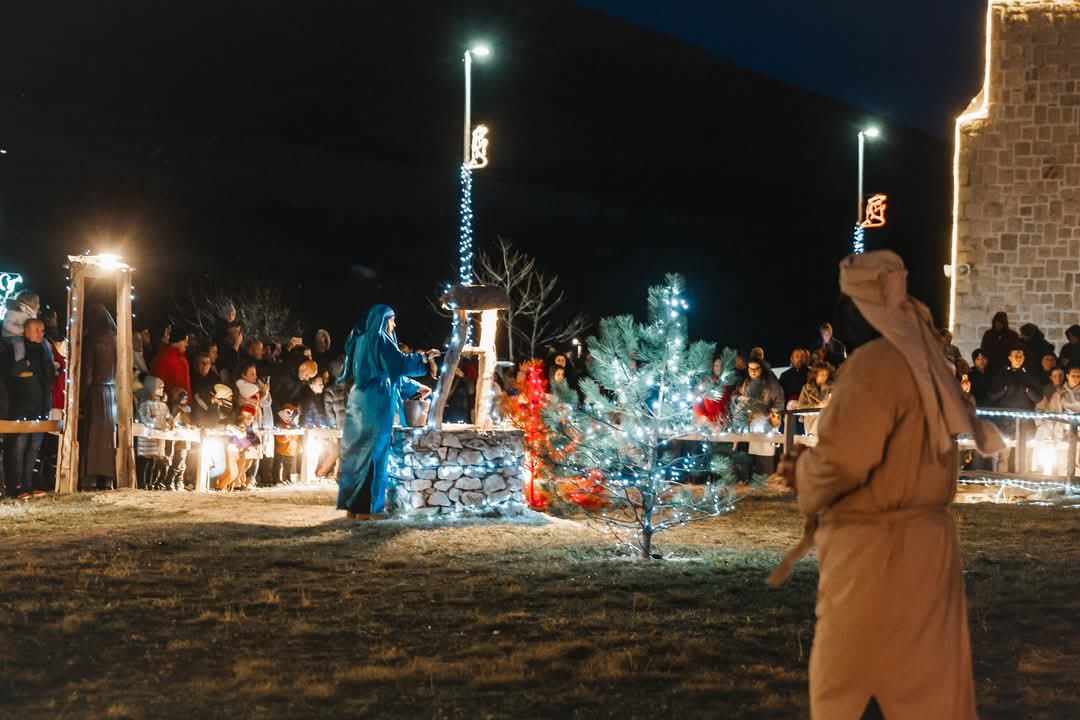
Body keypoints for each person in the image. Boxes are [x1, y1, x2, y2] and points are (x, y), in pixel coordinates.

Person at [771, 250, 1002, 720]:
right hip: (926, 549)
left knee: (849, 688)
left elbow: (842, 464)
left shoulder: (876, 364)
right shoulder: (923, 359)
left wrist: (803, 472)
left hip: (877, 556)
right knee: (925, 690)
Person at [337, 305, 438, 519]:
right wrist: (425, 357)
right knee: (375, 453)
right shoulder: (380, 340)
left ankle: (354, 508)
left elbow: (390, 372)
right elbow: (399, 364)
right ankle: (370, 509)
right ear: (383, 321)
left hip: (360, 401)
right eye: (392, 320)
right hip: (377, 402)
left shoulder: (361, 341)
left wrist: (413, 387)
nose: (394, 324)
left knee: (359, 453)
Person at [0, 318, 55, 497]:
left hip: (40, 408)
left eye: (42, 330)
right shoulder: (17, 348)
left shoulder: (45, 349)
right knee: (19, 446)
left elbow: (48, 377)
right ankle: (16, 486)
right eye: (37, 329)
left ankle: (29, 484)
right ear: (26, 331)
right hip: (21, 408)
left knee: (34, 447)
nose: (41, 333)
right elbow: (13, 374)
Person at [79, 305, 118, 491]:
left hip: (96, 391)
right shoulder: (115, 340)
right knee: (108, 438)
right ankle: (107, 477)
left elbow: (87, 374)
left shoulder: (92, 341)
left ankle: (90, 477)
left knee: (93, 437)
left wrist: (82, 398)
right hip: (112, 393)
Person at [150, 328, 191, 399]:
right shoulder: (163, 359)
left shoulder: (182, 359)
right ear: (177, 341)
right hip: (171, 405)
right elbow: (157, 386)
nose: (187, 344)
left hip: (183, 405)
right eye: (185, 341)